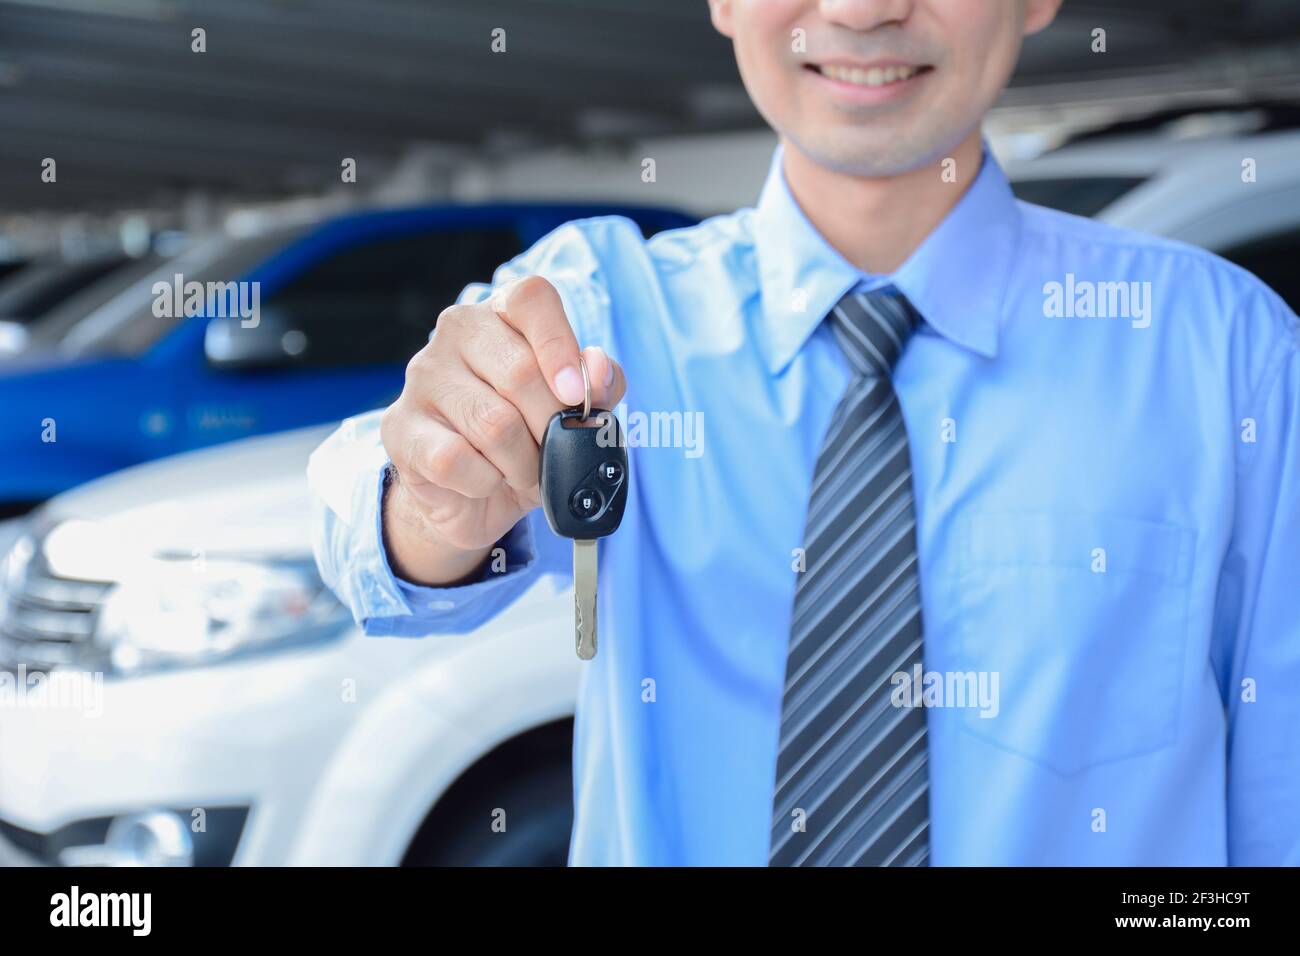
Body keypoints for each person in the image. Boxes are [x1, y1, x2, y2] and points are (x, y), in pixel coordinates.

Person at [308, 0, 1299, 865]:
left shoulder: (1225, 355)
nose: (863, 7)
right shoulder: (596, 311)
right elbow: (364, 534)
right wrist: (435, 494)